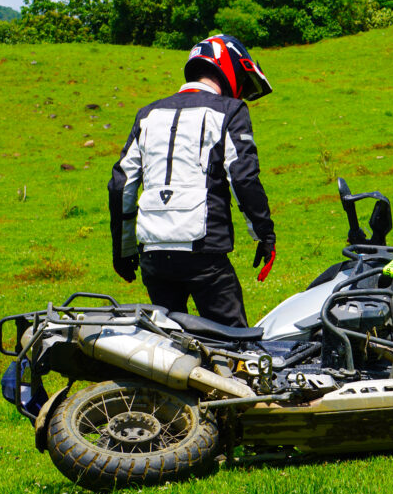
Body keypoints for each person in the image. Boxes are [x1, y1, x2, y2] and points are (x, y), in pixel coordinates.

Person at [108, 35, 276, 327]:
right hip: (204, 252)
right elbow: (244, 177)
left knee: (166, 345)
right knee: (233, 342)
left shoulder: (147, 114)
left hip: (153, 253)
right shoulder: (230, 111)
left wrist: (123, 251)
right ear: (231, 68)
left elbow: (121, 185)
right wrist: (263, 235)